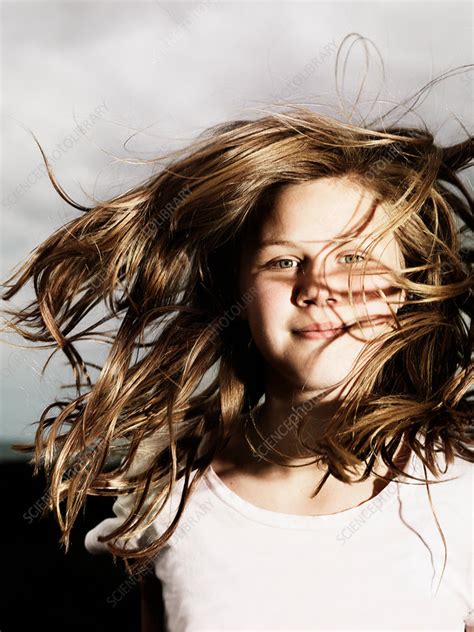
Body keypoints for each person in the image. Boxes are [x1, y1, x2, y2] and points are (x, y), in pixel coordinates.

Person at [1, 54, 473, 630]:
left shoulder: (460, 492)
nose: (318, 286)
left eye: (353, 257)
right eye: (284, 260)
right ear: (240, 291)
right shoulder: (170, 495)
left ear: (408, 287)